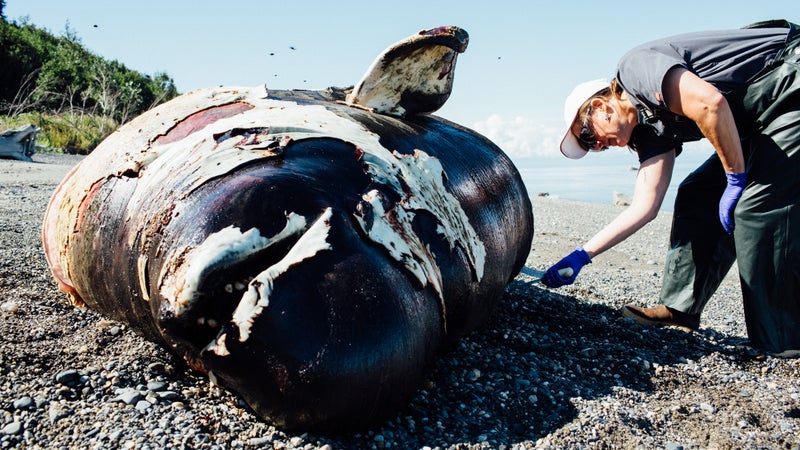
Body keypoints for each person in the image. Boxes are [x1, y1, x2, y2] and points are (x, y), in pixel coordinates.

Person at [542, 19, 800, 357]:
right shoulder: (648, 131)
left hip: (790, 78)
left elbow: (710, 104)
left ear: (600, 106)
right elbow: (645, 206)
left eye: (589, 136)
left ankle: (782, 341)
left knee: (758, 208)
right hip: (762, 115)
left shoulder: (635, 69)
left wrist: (736, 179)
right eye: (592, 148)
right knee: (697, 193)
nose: (599, 147)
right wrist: (581, 255)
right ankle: (680, 310)